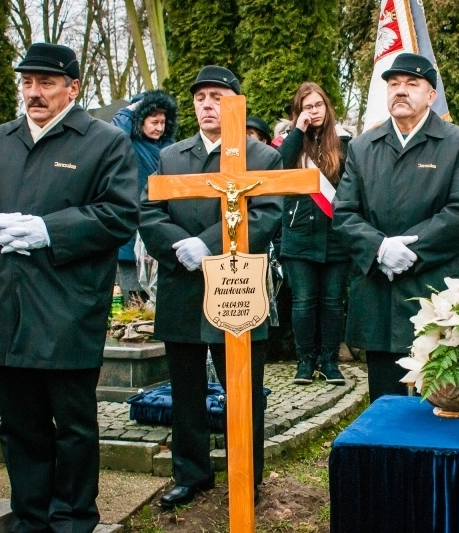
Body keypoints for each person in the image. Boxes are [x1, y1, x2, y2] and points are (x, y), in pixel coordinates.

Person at [0, 43, 138, 531]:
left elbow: (120, 213)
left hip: (67, 306)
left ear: (73, 88)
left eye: (45, 83)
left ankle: (71, 520)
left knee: (73, 428)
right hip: (8, 305)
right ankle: (30, 518)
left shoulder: (104, 142)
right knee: (19, 426)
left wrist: (50, 231)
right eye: (27, 82)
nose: (34, 93)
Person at [139, 65, 282, 508]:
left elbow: (267, 214)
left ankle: (246, 475)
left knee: (243, 389)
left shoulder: (261, 157)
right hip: (181, 283)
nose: (207, 105)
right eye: (200, 97)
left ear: (235, 103)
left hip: (236, 287)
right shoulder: (171, 156)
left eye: (217, 97)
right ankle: (191, 473)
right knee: (185, 388)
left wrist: (208, 244)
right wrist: (178, 247)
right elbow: (148, 211)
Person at [333, 53, 459, 402]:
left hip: (436, 293)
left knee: (438, 402)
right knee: (385, 403)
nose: (400, 91)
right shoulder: (362, 147)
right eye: (394, 84)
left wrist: (410, 250)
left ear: (431, 95)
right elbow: (343, 213)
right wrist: (380, 248)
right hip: (380, 295)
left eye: (411, 84)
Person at [277, 82, 352, 385]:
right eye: (307, 106)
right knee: (304, 301)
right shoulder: (291, 141)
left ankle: (330, 361)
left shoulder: (344, 141)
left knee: (333, 302)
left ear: (327, 106)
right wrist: (298, 131)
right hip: (299, 233)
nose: (314, 111)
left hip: (336, 235)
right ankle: (305, 361)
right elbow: (279, 167)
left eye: (318, 105)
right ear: (299, 111)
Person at [111, 90, 178, 302]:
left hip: (162, 223)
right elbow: (114, 134)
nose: (159, 128)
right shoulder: (129, 144)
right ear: (140, 121)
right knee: (135, 298)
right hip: (132, 225)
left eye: (163, 122)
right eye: (154, 122)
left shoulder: (171, 147)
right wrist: (129, 111)